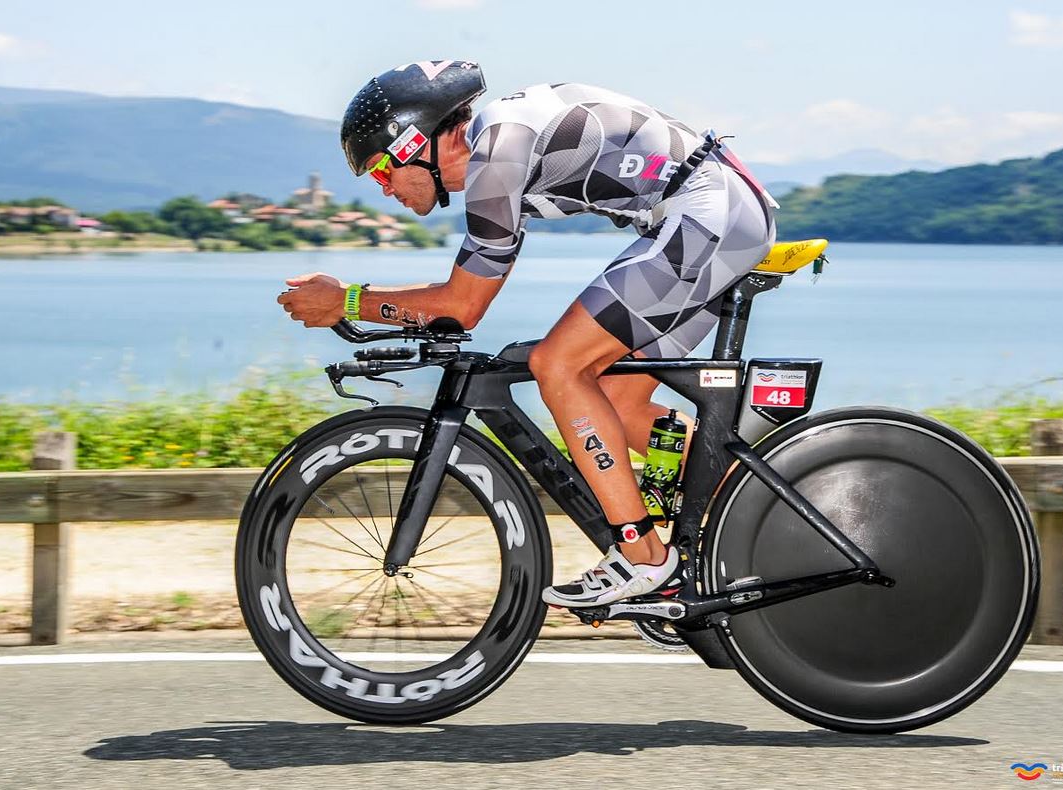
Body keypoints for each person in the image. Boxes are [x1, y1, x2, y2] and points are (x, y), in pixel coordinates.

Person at [277, 60, 776, 608]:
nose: (384, 189)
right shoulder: (499, 146)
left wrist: (347, 300)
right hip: (710, 213)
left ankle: (643, 557)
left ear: (412, 145)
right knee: (613, 398)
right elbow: (462, 291)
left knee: (558, 365)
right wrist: (366, 302)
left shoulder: (499, 152)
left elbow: (463, 307)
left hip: (708, 214)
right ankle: (760, 504)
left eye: (380, 172)